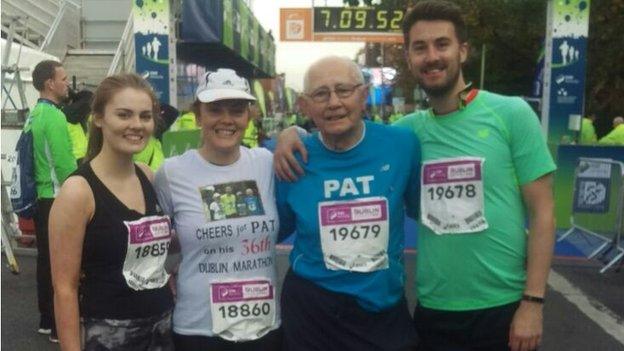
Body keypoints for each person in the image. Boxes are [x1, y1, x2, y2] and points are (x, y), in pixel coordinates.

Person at [274, 3, 556, 351]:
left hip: (503, 302)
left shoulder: (510, 113)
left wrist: (534, 301)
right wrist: (292, 133)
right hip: (433, 305)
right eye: (420, 47)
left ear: (463, 50)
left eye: (442, 44)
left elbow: (544, 213)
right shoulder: (407, 132)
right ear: (409, 57)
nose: (431, 56)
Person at [276, 56, 421, 351]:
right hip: (311, 310)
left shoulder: (403, 145)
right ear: (304, 106)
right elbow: (271, 231)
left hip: (381, 310)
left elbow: (421, 210)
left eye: (344, 90)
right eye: (321, 94)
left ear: (364, 95)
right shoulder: (290, 156)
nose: (333, 103)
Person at [154, 68, 282, 350]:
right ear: (199, 116)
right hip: (199, 328)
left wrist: (294, 132)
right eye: (215, 110)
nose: (227, 120)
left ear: (248, 116)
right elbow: (158, 241)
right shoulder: (172, 173)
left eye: (237, 110)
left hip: (263, 326)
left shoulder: (266, 163)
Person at [49, 73, 174, 351]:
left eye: (145, 116)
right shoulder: (78, 192)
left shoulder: (147, 176)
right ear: (98, 118)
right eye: (124, 115)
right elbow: (64, 289)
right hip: (109, 335)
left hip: (163, 329)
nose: (137, 125)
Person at [29, 60, 76, 343]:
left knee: (46, 261)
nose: (67, 83)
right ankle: (60, 327)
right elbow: (64, 166)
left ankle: (47, 320)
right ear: (50, 83)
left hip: (41, 197)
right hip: (57, 198)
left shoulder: (34, 114)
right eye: (64, 78)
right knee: (64, 265)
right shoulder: (55, 117)